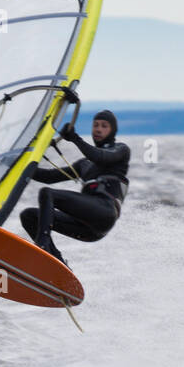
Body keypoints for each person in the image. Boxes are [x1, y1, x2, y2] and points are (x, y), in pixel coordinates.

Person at [19, 108, 129, 264]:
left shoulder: (121, 150)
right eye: (95, 125)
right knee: (29, 216)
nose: (98, 129)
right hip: (86, 228)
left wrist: (75, 138)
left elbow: (100, 156)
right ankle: (55, 260)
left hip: (104, 212)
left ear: (113, 130)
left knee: (48, 193)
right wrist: (17, 165)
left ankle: (42, 245)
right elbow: (48, 177)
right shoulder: (84, 165)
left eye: (104, 126)